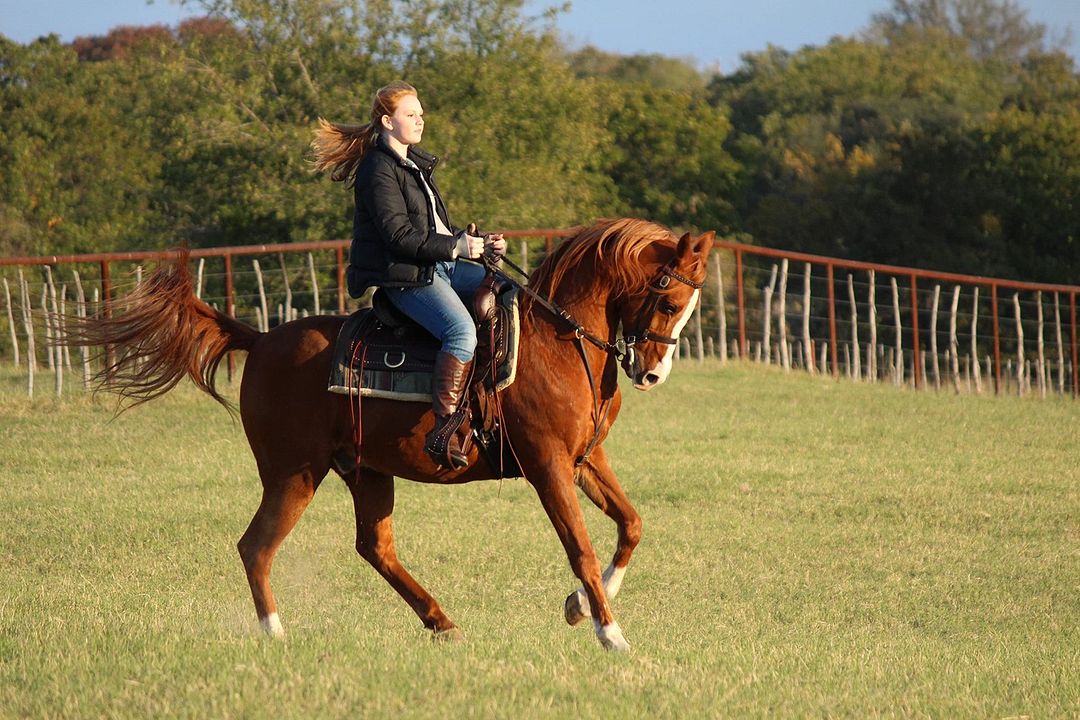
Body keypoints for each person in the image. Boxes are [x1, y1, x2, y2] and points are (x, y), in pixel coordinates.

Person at [311, 82, 506, 469]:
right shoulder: (377, 169)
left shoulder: (414, 163)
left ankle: (490, 397)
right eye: (410, 114)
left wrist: (477, 243)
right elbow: (399, 237)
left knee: (509, 292)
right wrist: (457, 249)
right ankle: (446, 427)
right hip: (404, 277)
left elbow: (434, 229)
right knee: (461, 331)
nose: (420, 120)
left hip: (438, 265)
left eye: (421, 113)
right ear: (387, 121)